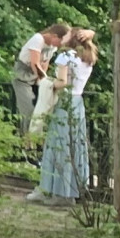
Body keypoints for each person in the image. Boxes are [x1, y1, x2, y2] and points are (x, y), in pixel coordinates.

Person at [35, 29, 96, 202]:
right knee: (74, 145)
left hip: (65, 103)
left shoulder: (66, 56)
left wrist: (46, 83)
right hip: (78, 101)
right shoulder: (87, 57)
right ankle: (70, 191)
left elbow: (62, 83)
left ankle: (56, 191)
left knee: (58, 143)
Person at [14, 21, 67, 137]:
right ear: (54, 36)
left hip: (37, 77)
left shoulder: (52, 47)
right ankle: (26, 141)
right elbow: (35, 63)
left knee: (40, 109)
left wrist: (40, 82)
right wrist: (45, 81)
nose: (60, 45)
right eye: (60, 41)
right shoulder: (38, 39)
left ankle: (37, 141)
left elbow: (45, 63)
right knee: (29, 110)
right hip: (23, 75)